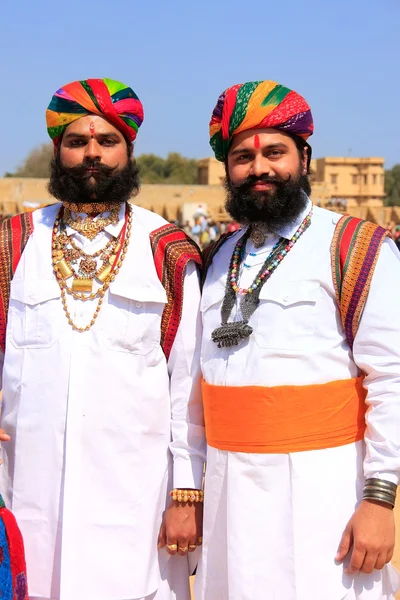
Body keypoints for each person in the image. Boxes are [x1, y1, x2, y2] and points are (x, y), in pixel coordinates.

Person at [0, 78, 205, 600]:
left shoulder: (167, 250)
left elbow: (187, 383)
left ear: (128, 150)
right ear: (57, 151)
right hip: (29, 486)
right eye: (77, 142)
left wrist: (186, 492)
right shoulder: (13, 244)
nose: (92, 153)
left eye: (106, 141)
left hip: (136, 494)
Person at [195, 79, 400, 599]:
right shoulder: (219, 257)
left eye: (275, 152)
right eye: (243, 156)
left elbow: (392, 376)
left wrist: (379, 499)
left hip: (323, 496)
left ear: (304, 158)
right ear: (227, 169)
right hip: (226, 497)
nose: (259, 167)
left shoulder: (354, 245)